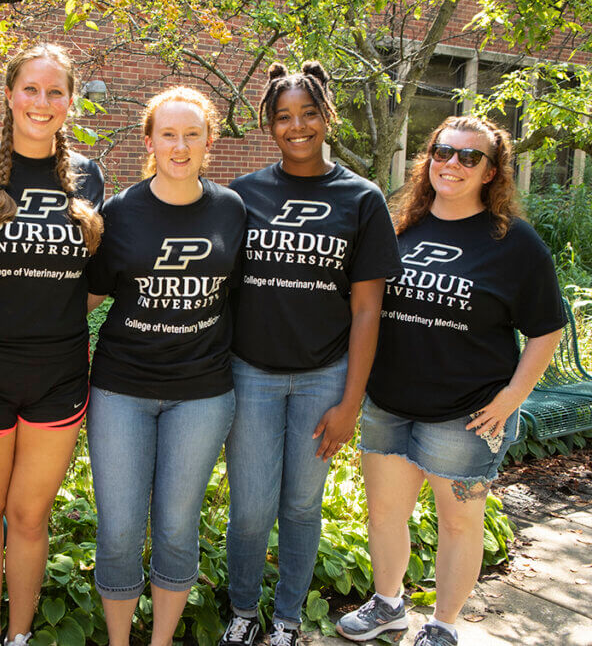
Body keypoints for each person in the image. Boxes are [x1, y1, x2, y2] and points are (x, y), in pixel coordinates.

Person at [335, 116, 565, 646]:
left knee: (460, 524)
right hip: (389, 403)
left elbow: (546, 328)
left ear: (491, 172)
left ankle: (442, 624)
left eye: (469, 157)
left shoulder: (514, 242)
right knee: (385, 514)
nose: (452, 164)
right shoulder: (400, 226)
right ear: (428, 158)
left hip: (465, 414)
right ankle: (389, 605)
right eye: (443, 151)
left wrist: (512, 398)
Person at [221, 62, 402, 646]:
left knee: (300, 506)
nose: (296, 126)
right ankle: (244, 612)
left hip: (324, 378)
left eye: (308, 114)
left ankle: (288, 621)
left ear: (326, 116)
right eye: (283, 117)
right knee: (249, 509)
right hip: (251, 375)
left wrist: (351, 402)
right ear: (269, 125)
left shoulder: (361, 198)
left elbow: (368, 310)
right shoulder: (245, 194)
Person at [0, 43, 104, 646]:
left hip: (58, 376)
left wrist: (47, 307)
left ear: (70, 101)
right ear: (9, 94)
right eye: (30, 90)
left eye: (55, 92)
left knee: (30, 517)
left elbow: (91, 283)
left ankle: (18, 637)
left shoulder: (90, 177)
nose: (42, 103)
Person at [86, 86, 245, 646]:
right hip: (121, 390)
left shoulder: (231, 209)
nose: (180, 146)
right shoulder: (121, 212)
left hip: (202, 394)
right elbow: (87, 298)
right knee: (121, 529)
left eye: (192, 134)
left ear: (209, 142)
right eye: (169, 134)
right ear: (149, 140)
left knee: (177, 529)